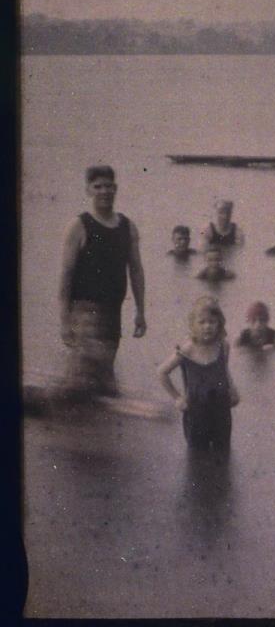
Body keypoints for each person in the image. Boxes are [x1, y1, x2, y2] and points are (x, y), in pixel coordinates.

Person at [58, 165, 146, 398]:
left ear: (115, 189)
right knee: (78, 386)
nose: (104, 191)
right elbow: (66, 275)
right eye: (98, 186)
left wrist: (140, 311)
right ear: (88, 190)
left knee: (104, 380)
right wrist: (64, 320)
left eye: (109, 186)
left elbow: (136, 270)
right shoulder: (78, 226)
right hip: (83, 311)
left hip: (112, 311)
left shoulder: (127, 226)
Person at [158, 295, 240, 453]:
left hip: (221, 408)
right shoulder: (188, 349)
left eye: (211, 322)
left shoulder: (223, 346)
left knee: (223, 452)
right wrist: (177, 398)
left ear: (219, 323)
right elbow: (162, 372)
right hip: (196, 410)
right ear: (193, 325)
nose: (207, 326)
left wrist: (233, 390)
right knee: (197, 455)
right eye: (201, 322)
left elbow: (224, 370)